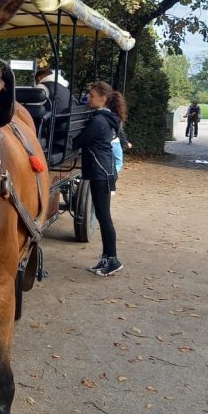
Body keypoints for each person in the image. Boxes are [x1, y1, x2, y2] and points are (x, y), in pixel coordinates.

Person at [74, 81, 128, 276]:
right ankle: (107, 258)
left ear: (103, 98)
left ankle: (112, 260)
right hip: (103, 172)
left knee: (104, 218)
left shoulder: (98, 121)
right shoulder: (105, 118)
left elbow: (80, 141)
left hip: (101, 173)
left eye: (92, 94)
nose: (89, 97)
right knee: (102, 216)